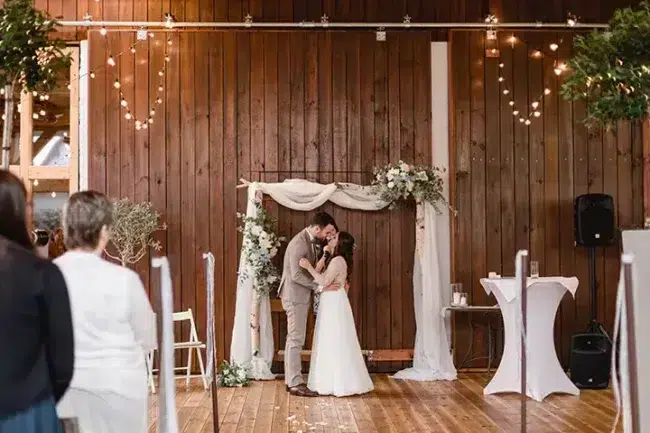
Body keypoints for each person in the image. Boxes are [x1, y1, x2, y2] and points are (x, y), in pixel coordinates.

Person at [54, 191, 156, 433]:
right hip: (120, 390)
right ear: (104, 231)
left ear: (66, 229)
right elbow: (148, 338)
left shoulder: (47, 276)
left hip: (66, 391)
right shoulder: (125, 280)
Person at [0, 169, 74, 432]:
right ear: (17, 210)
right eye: (29, 203)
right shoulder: (43, 273)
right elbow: (64, 362)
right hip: (29, 412)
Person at [299, 231, 374, 397]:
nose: (331, 238)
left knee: (333, 338)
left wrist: (308, 267)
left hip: (333, 302)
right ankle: (330, 380)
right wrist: (324, 257)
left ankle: (336, 382)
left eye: (335, 238)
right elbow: (323, 279)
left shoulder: (338, 261)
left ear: (340, 244)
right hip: (333, 300)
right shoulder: (335, 259)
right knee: (331, 338)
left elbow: (324, 280)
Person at [278, 212, 340, 397]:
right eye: (327, 232)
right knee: (296, 339)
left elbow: (312, 269)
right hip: (294, 296)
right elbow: (296, 275)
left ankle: (292, 380)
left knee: (295, 338)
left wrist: (325, 254)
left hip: (300, 296)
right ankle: (295, 383)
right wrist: (320, 288)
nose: (328, 235)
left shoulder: (312, 241)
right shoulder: (299, 243)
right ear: (316, 228)